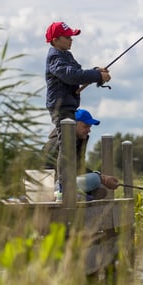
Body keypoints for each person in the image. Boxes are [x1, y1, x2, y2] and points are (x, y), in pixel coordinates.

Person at [43, 21, 111, 189]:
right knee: (66, 145)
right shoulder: (54, 56)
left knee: (69, 145)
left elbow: (78, 73)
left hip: (69, 106)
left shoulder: (67, 56)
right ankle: (63, 186)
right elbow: (71, 76)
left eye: (71, 37)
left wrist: (97, 72)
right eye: (67, 37)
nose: (71, 40)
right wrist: (96, 75)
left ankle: (65, 184)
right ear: (55, 39)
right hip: (60, 107)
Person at [72, 108, 120, 200]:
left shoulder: (76, 142)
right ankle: (82, 195)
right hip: (59, 185)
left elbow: (79, 167)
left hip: (70, 181)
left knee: (99, 187)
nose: (89, 130)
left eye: (89, 127)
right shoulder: (64, 142)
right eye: (85, 126)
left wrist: (99, 176)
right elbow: (68, 169)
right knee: (95, 180)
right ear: (74, 125)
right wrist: (102, 178)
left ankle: (86, 195)